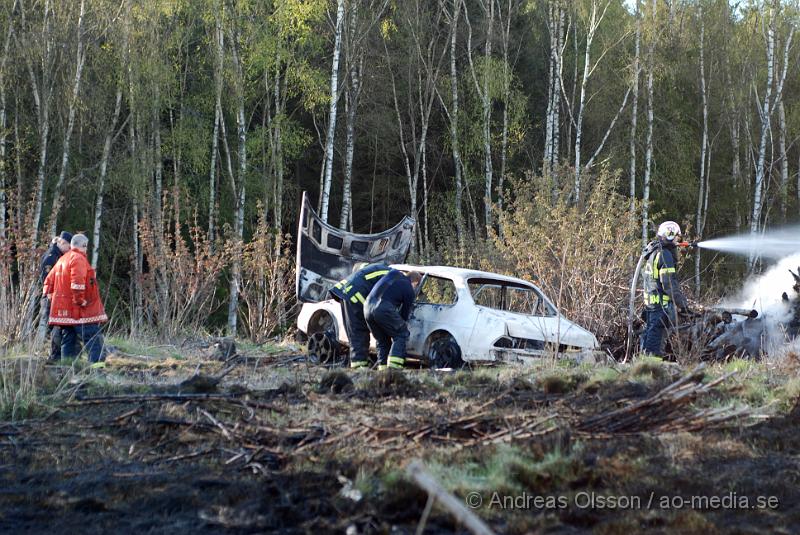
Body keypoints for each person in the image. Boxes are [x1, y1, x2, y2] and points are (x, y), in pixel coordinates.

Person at [43, 234, 108, 367]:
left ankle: (68, 368)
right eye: (86, 247)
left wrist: (51, 298)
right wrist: (80, 300)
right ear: (83, 246)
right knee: (93, 337)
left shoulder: (62, 259)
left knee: (69, 340)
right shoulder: (78, 258)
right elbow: (77, 283)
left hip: (64, 311)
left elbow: (48, 281)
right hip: (78, 310)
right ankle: (97, 369)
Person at [329, 263, 391, 368]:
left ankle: (358, 364)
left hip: (346, 291)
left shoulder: (384, 271)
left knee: (355, 331)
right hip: (355, 295)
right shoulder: (393, 277)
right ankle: (359, 368)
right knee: (359, 330)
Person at [641, 221, 689, 358]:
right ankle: (651, 369)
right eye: (676, 237)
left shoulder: (653, 251)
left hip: (651, 302)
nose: (677, 240)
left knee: (650, 332)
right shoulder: (664, 255)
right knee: (655, 338)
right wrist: (682, 304)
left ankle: (644, 363)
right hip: (660, 304)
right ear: (670, 236)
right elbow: (669, 284)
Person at [364, 269, 422, 370]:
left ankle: (382, 369)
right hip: (383, 307)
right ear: (415, 282)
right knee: (401, 334)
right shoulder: (409, 289)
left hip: (367, 307)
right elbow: (404, 314)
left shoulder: (393, 273)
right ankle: (393, 369)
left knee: (383, 340)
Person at [38, 231, 72, 361]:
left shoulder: (58, 255)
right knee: (56, 327)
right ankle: (54, 356)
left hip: (56, 297)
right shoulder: (52, 257)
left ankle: (56, 355)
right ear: (62, 243)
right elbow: (46, 279)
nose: (69, 250)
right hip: (50, 297)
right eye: (68, 247)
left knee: (57, 326)